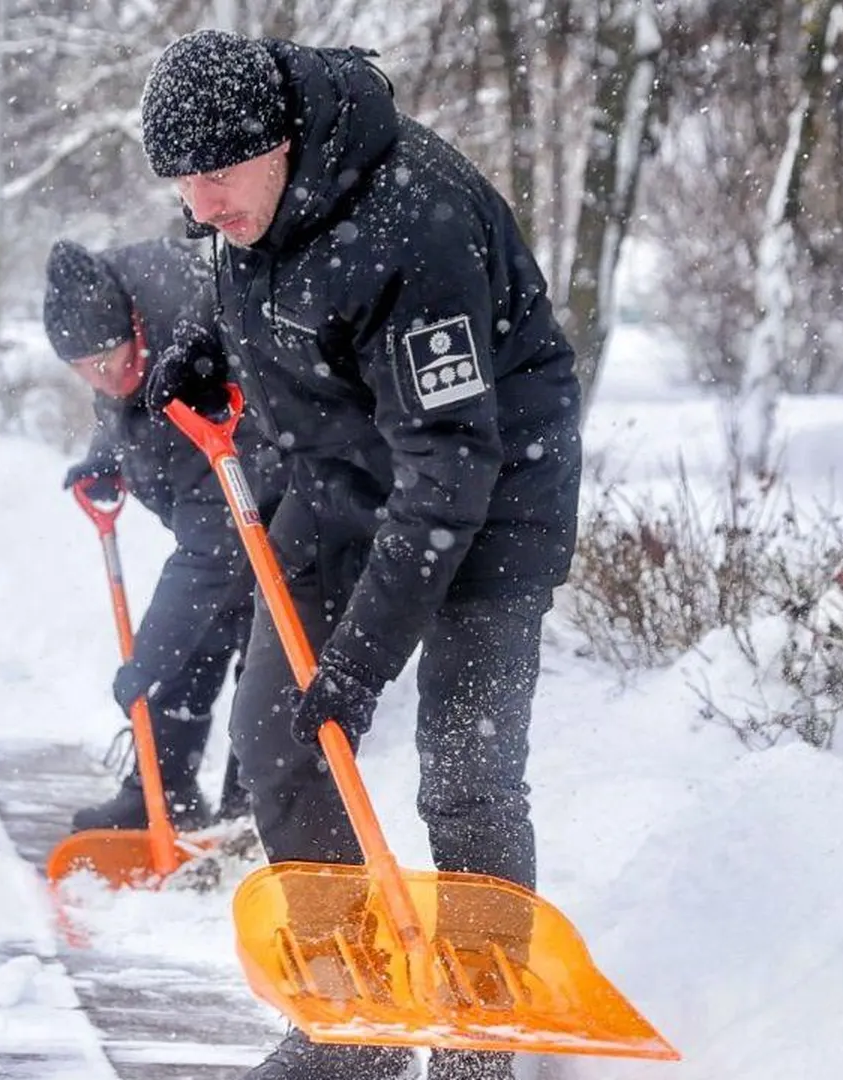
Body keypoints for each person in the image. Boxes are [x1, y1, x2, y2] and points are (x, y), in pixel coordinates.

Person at [138, 31, 584, 1080]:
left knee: (466, 772)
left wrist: (362, 663)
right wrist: (213, 341)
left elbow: (450, 475)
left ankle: (480, 1038)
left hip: (491, 492)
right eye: (180, 184)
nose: (199, 207)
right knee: (275, 734)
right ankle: (358, 1021)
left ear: (281, 139)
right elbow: (261, 270)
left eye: (214, 177)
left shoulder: (415, 224)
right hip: (344, 473)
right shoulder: (254, 194)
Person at [43, 236, 269, 832]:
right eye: (83, 370)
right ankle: (161, 793)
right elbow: (123, 405)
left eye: (109, 360)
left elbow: (213, 548)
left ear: (136, 330)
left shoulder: (191, 347)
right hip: (219, 514)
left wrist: (147, 659)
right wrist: (104, 454)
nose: (101, 377)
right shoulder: (113, 315)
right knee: (196, 638)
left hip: (281, 499)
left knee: (264, 654)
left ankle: (254, 815)